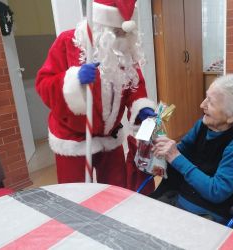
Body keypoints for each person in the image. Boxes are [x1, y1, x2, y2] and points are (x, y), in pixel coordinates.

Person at [35, 0, 156, 191]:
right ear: (102, 26)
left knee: (116, 191)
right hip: (72, 138)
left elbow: (135, 84)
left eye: (126, 33)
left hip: (111, 136)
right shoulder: (69, 42)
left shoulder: (124, 50)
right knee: (75, 195)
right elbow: (43, 84)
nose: (122, 37)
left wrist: (141, 107)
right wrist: (74, 80)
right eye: (117, 32)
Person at [151, 73, 233, 223]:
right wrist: (159, 151)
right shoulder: (203, 125)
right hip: (178, 198)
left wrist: (176, 157)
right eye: (206, 98)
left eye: (210, 102)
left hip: (208, 214)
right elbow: (181, 152)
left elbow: (216, 191)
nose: (202, 105)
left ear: (231, 116)